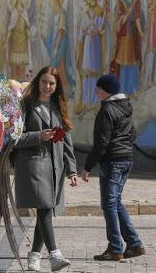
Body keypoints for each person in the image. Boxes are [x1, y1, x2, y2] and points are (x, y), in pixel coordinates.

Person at [14, 66, 79, 271]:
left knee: (46, 211)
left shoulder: (58, 106)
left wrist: (72, 170)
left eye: (52, 83)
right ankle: (54, 254)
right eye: (44, 82)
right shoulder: (26, 105)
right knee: (44, 207)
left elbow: (66, 140)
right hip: (33, 164)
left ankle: (34, 256)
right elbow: (15, 138)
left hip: (55, 167)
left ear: (57, 85)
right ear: (38, 81)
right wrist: (38, 136)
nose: (47, 86)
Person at [81, 74, 145, 261]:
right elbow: (132, 133)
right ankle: (134, 244)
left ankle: (116, 248)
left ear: (105, 90)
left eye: (98, 88)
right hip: (126, 159)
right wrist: (124, 148)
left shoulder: (107, 110)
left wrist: (87, 167)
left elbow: (102, 142)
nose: (95, 91)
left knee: (109, 204)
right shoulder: (125, 107)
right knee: (115, 202)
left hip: (113, 161)